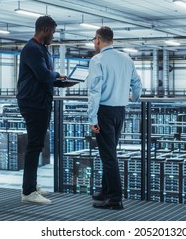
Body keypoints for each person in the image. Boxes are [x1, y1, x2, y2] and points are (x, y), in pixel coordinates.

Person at [16, 15, 75, 204]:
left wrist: (62, 82)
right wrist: (58, 74)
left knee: (37, 144)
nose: (54, 36)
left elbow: (44, 77)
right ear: (46, 30)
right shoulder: (32, 49)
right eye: (53, 32)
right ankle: (28, 192)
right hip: (33, 103)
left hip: (40, 101)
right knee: (34, 145)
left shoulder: (42, 49)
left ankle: (31, 186)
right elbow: (42, 75)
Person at [87, 26, 142, 210]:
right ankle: (105, 191)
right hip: (120, 112)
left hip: (104, 112)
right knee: (108, 153)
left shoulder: (97, 60)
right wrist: (134, 97)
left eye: (95, 39)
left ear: (98, 39)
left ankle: (115, 198)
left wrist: (92, 119)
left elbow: (94, 91)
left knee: (109, 156)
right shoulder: (126, 59)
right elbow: (137, 82)